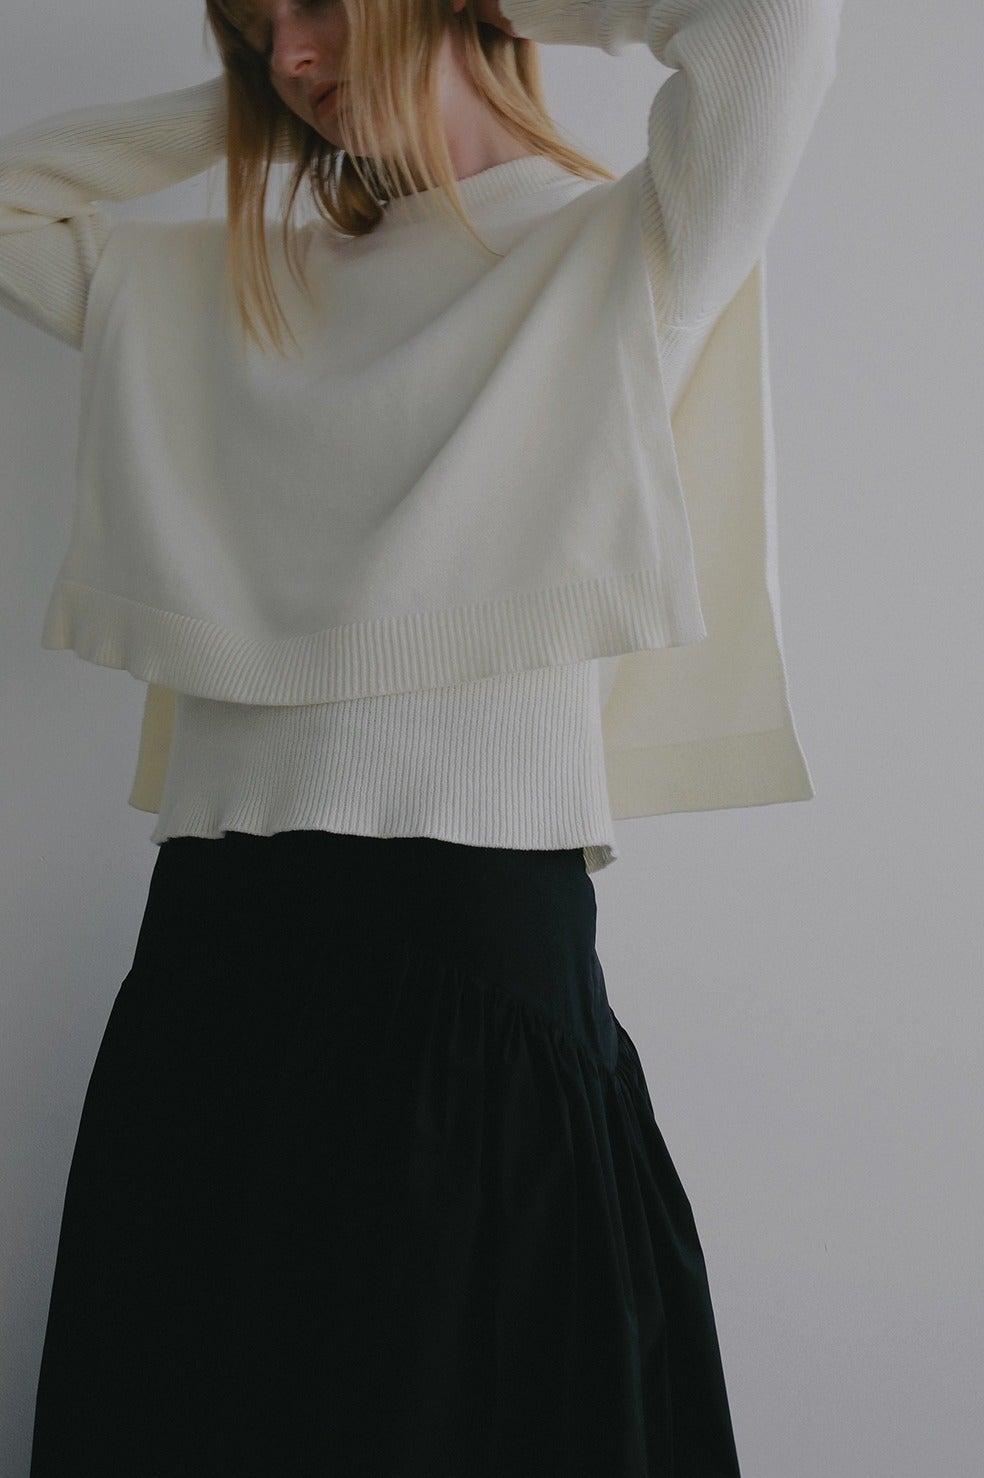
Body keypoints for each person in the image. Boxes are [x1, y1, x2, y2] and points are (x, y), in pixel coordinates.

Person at [0, 0, 843, 1473]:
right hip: (212, 980)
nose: (289, 54)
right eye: (252, 27)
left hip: (471, 990)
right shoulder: (228, 286)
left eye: (316, 6)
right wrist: (254, 103)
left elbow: (771, 21)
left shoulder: (618, 252)